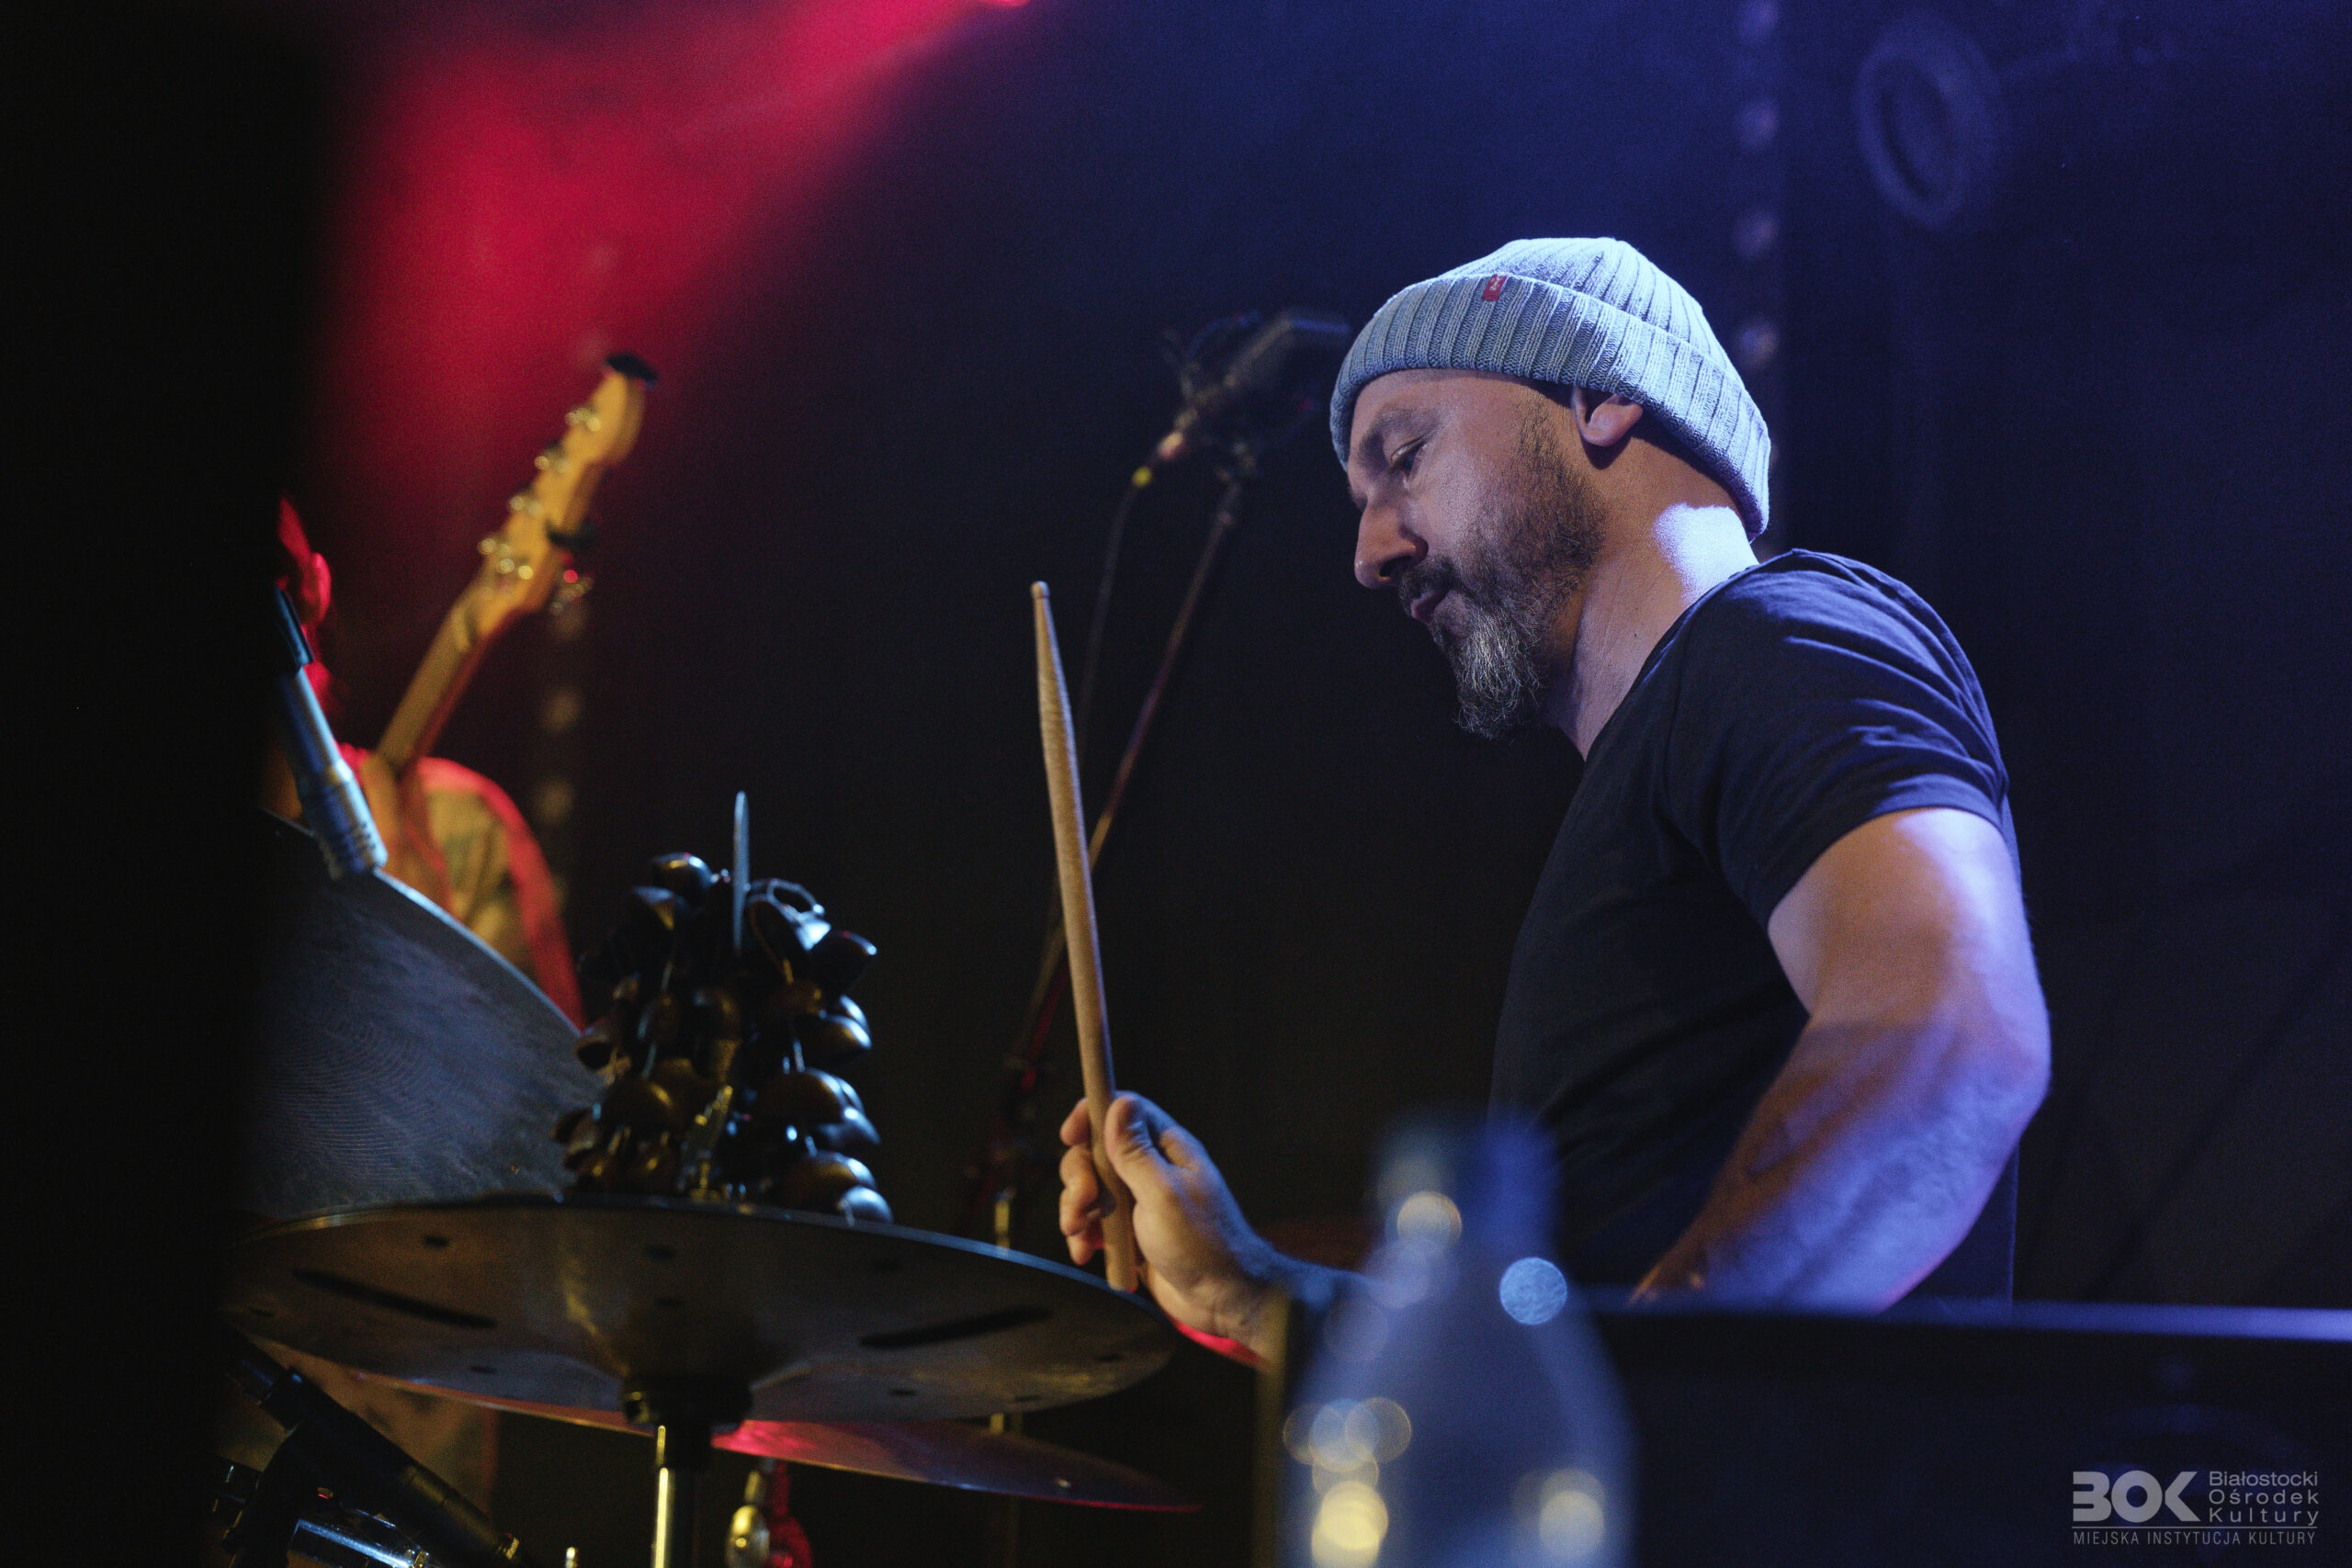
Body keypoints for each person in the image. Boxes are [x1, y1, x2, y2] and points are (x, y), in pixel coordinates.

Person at [1057, 239, 2050, 1360]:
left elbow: (1951, 1039)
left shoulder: (1775, 640)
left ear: (1599, 396)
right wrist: (1251, 1289)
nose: (1368, 553)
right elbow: (1550, 1355)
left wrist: (1658, 1395)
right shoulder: (1666, 751)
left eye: (1406, 456)